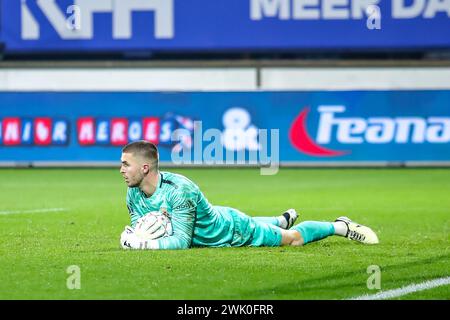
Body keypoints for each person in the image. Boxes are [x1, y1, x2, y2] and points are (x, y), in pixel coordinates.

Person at [119, 141, 379, 250]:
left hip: (233, 232)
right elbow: (140, 227)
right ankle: (279, 219)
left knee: (293, 240)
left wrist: (145, 245)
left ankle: (339, 226)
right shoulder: (133, 194)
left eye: (125, 164)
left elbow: (182, 241)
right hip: (218, 217)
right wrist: (134, 235)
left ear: (145, 167)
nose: (121, 170)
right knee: (269, 224)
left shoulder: (179, 190)